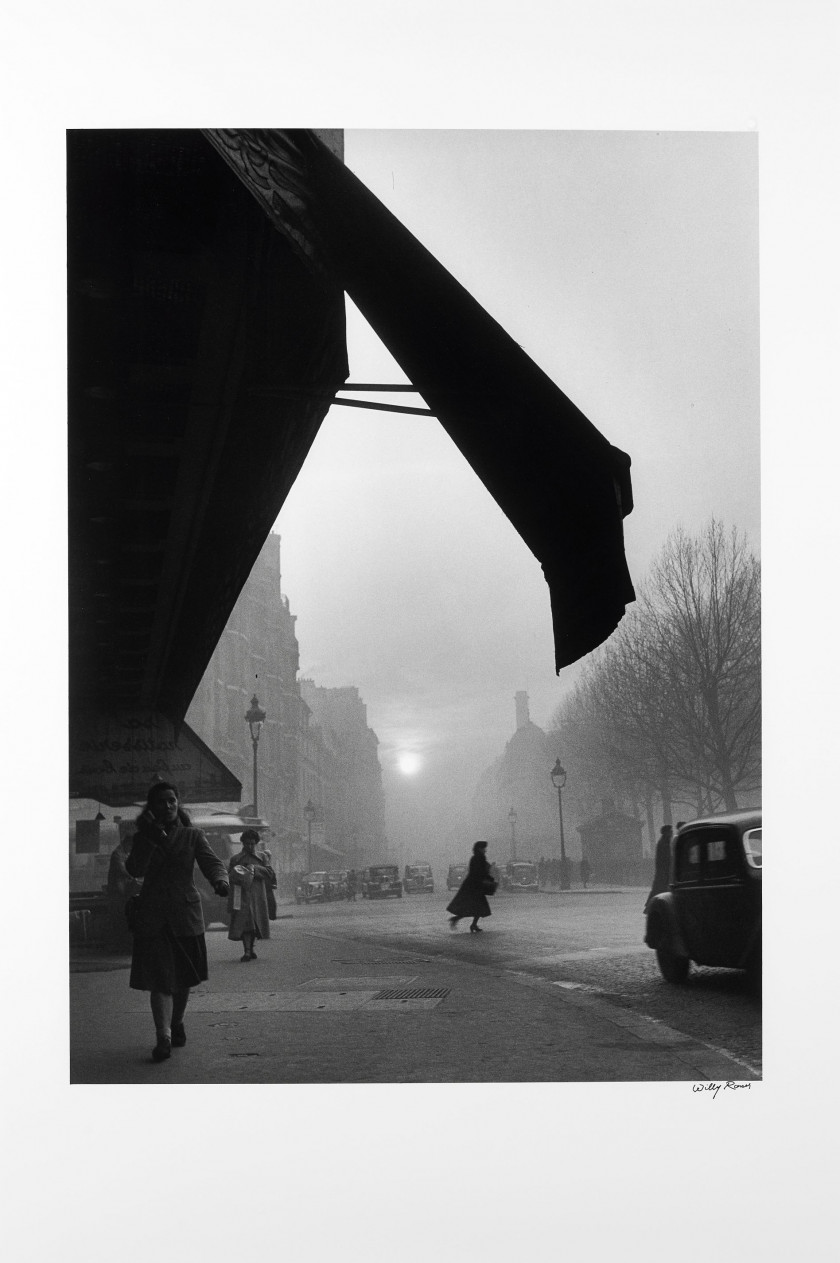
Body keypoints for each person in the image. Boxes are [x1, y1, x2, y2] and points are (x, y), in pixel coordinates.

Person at [126, 781, 229, 1063]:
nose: (168, 805)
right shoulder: (142, 837)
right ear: (152, 807)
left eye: (172, 800)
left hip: (186, 915)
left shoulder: (192, 835)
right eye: (162, 801)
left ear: (178, 803)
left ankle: (177, 1022)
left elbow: (212, 862)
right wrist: (150, 837)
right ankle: (164, 1038)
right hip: (153, 917)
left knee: (183, 980)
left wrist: (220, 880)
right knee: (161, 981)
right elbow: (134, 869)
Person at [227, 829, 276, 962]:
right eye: (247, 843)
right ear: (243, 843)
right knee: (245, 922)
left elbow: (270, 874)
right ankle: (247, 951)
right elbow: (230, 875)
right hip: (241, 894)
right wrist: (238, 874)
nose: (249, 846)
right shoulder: (236, 859)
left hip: (258, 894)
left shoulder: (262, 857)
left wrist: (254, 869)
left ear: (256, 844)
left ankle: (251, 948)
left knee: (255, 923)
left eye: (252, 844)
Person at [446, 841, 495, 933]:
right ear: (479, 849)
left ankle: (465, 922)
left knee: (474, 906)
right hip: (474, 886)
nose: (485, 850)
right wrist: (489, 878)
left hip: (472, 885)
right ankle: (468, 923)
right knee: (476, 906)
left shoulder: (475, 858)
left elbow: (479, 872)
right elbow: (480, 872)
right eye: (483, 848)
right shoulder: (479, 858)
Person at [644, 824, 673, 914]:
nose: (672, 832)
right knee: (659, 889)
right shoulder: (664, 843)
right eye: (670, 831)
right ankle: (650, 907)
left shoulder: (664, 842)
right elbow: (665, 858)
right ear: (667, 833)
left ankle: (649, 906)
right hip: (663, 871)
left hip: (662, 871)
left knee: (658, 889)